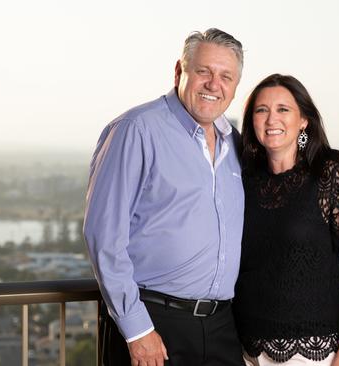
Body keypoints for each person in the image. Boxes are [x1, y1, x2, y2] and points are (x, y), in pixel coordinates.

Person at [83, 28, 246, 366]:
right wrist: (137, 330)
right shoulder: (137, 129)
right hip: (155, 324)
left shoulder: (236, 144)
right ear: (178, 72)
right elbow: (103, 236)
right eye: (204, 71)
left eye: (226, 76)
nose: (214, 84)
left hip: (221, 328)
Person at [233, 74, 339, 366]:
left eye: (283, 109)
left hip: (310, 354)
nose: (271, 118)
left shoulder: (330, 175)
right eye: (262, 110)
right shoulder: (244, 179)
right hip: (245, 349)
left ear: (304, 120)